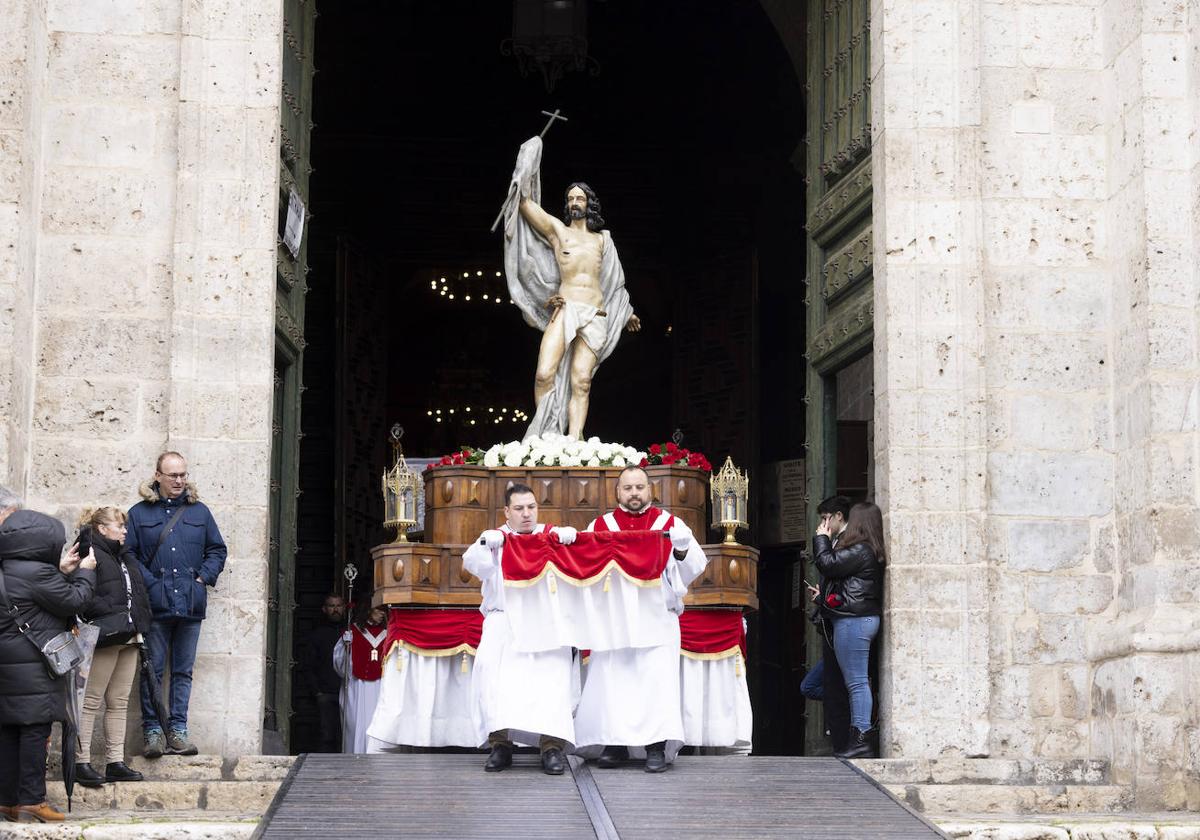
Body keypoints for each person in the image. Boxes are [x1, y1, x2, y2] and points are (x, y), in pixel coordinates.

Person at [502, 134, 641, 439]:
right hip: (566, 308)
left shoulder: (603, 240)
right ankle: (546, 435)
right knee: (543, 373)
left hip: (596, 313)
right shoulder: (558, 233)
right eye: (570, 199)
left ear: (589, 202)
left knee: (582, 380)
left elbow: (614, 281)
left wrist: (626, 311)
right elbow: (524, 203)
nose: (575, 202)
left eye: (580, 198)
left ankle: (574, 440)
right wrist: (530, 154)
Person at [575, 466, 707, 772]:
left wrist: (683, 549)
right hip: (615, 616)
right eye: (628, 488)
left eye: (640, 487)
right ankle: (615, 744)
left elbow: (692, 568)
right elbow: (583, 565)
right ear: (617, 492)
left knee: (656, 681)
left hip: (655, 614)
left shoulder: (669, 523)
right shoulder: (601, 525)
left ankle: (655, 747)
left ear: (650, 490)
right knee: (613, 679)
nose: (634, 493)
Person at [462, 483, 578, 775]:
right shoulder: (495, 540)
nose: (526, 514)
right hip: (505, 621)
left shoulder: (552, 537)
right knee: (496, 684)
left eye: (531, 507)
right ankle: (500, 746)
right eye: (519, 508)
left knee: (549, 685)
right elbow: (473, 564)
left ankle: (551, 748)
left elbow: (580, 568)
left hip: (546, 622)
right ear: (506, 511)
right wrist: (483, 543)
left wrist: (574, 541)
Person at [0, 487, 97, 823]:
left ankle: (9, 801)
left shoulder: (7, 570)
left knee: (10, 729)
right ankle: (31, 800)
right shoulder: (37, 574)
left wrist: (61, 572)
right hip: (35, 666)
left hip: (7, 665)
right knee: (34, 730)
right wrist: (85, 571)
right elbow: (75, 601)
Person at [125, 451, 227, 758]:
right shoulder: (139, 513)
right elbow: (127, 554)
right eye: (173, 475)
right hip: (155, 606)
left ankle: (178, 731)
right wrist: (150, 583)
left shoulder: (200, 513)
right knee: (151, 671)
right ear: (158, 476)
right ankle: (153, 731)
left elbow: (217, 550)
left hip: (190, 605)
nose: (179, 480)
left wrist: (202, 578)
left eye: (183, 474)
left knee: (183, 671)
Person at [74, 507, 152, 788]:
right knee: (90, 701)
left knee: (118, 702)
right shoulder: (88, 551)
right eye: (119, 526)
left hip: (130, 635)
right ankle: (81, 762)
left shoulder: (123, 554)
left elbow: (136, 591)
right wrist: (110, 614)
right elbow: (80, 591)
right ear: (102, 528)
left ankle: (114, 762)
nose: (124, 531)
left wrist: (139, 619)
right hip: (105, 635)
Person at [813, 501, 885, 759]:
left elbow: (827, 563)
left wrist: (821, 538)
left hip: (854, 621)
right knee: (855, 682)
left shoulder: (861, 550)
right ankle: (859, 737)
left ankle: (862, 738)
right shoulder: (869, 550)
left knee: (856, 683)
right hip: (859, 619)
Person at [805, 495, 852, 749]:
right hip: (832, 622)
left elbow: (828, 566)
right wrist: (822, 597)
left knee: (840, 688)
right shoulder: (837, 542)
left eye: (826, 518)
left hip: (843, 624)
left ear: (839, 517)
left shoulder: (845, 543)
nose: (822, 524)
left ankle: (844, 742)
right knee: (822, 687)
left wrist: (821, 540)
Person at [332, 603, 387, 754]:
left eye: (384, 611)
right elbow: (340, 665)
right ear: (368, 610)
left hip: (381, 687)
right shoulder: (353, 632)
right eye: (378, 610)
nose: (382, 614)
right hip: (357, 686)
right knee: (356, 724)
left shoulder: (388, 633)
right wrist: (345, 645)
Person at [303, 592, 347, 753]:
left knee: (347, 734)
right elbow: (308, 665)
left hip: (348, 692)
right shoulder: (317, 635)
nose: (335, 610)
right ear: (324, 609)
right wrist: (317, 692)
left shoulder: (351, 632)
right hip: (326, 693)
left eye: (339, 606)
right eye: (331, 606)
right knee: (326, 736)